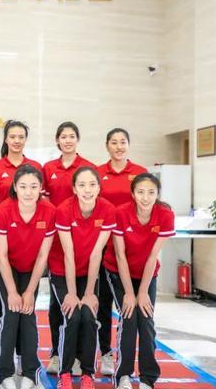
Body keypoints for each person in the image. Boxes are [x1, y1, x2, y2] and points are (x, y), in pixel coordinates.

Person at [48, 167, 116, 389]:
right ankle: (65, 373)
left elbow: (97, 253)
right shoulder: (64, 210)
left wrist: (88, 293)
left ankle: (88, 374)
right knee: (72, 315)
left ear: (99, 187)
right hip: (62, 270)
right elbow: (68, 254)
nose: (87, 190)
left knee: (88, 316)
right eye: (82, 185)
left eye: (92, 184)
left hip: (88, 272)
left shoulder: (107, 209)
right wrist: (71, 293)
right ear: (74, 189)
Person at [104, 173, 174, 389]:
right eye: (141, 192)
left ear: (157, 194)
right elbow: (120, 255)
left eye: (151, 192)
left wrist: (142, 292)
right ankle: (123, 375)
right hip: (118, 271)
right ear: (133, 194)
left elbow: (153, 256)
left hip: (147, 273)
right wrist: (129, 293)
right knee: (129, 316)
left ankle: (147, 378)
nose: (145, 197)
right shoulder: (121, 213)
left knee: (146, 317)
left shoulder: (165, 215)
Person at [0, 165, 56, 389]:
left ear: (41, 188)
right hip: (6, 265)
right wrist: (12, 291)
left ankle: (30, 371)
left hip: (32, 266)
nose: (28, 192)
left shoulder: (49, 211)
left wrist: (29, 291)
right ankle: (4, 373)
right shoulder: (2, 211)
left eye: (34, 186)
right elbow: (1, 255)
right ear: (15, 187)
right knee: (11, 315)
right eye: (23, 186)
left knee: (28, 315)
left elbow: (43, 255)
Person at [43, 121, 95, 375]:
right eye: (63, 136)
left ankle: (79, 357)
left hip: (84, 242)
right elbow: (43, 201)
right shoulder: (48, 168)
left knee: (84, 306)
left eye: (72, 136)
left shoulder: (87, 167)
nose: (67, 140)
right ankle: (57, 353)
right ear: (57, 140)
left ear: (77, 139)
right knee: (58, 304)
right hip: (57, 243)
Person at [96, 128, 148, 376]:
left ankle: (126, 356)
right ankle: (106, 353)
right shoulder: (98, 173)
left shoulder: (140, 172)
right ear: (107, 146)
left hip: (133, 246)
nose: (118, 146)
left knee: (130, 307)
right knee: (103, 304)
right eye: (114, 142)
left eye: (123, 142)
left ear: (129, 144)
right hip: (103, 247)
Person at [0, 120, 42, 206]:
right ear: (6, 139)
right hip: (3, 214)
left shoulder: (36, 166)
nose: (17, 141)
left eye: (21, 137)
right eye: (12, 137)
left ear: (25, 139)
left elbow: (40, 200)